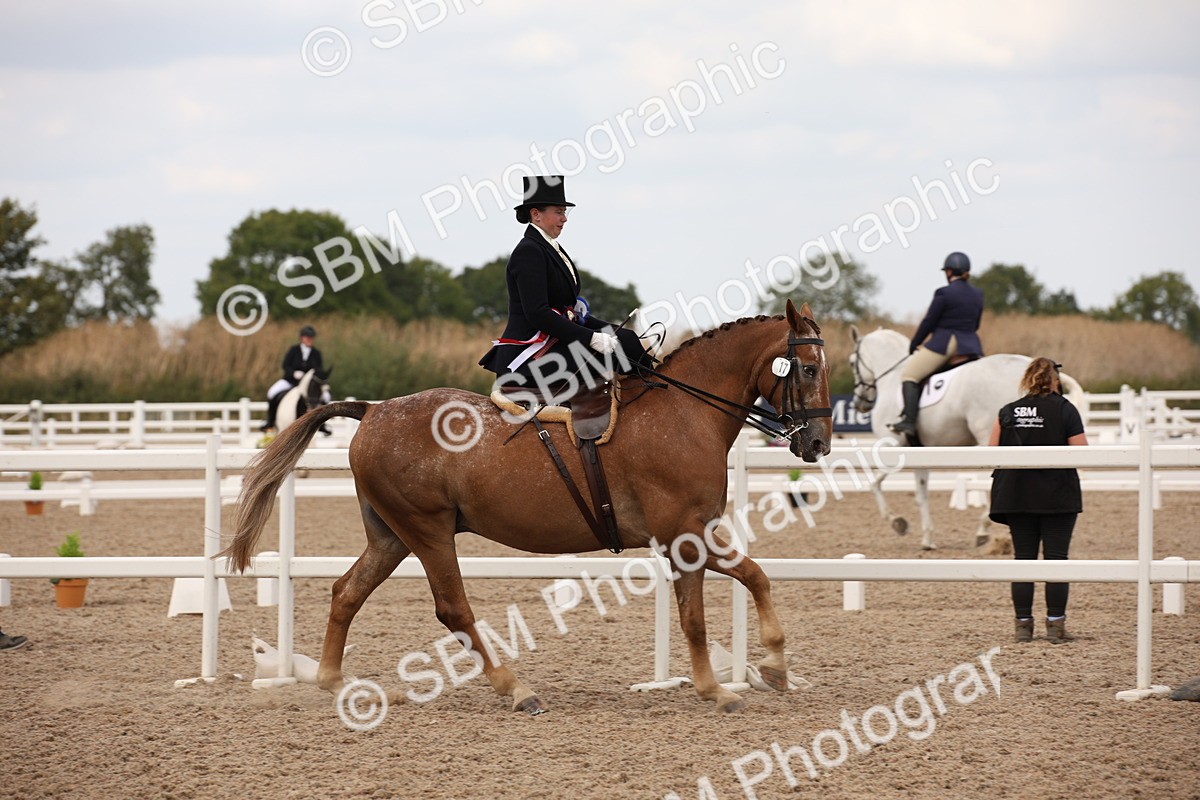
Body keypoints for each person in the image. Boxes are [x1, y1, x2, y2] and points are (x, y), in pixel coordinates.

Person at [478, 175, 651, 396]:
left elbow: (568, 311)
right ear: (536, 214)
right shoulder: (528, 251)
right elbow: (538, 314)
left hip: (555, 342)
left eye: (564, 212)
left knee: (627, 338)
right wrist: (592, 338)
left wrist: (610, 328)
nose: (565, 218)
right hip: (529, 357)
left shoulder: (550, 247)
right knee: (620, 349)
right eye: (558, 212)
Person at [988, 357, 1088, 643]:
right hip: (1057, 496)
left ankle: (1023, 626)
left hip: (1017, 495)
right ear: (1055, 381)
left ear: (1027, 379)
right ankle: (1056, 626)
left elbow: (991, 452)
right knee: (1056, 561)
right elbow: (1082, 453)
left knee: (1023, 560)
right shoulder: (1066, 409)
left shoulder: (1007, 411)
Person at [892, 252, 984, 438]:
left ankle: (909, 421)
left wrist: (915, 343)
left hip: (947, 344)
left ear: (949, 271)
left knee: (910, 375)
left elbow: (929, 322)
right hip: (971, 345)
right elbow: (976, 324)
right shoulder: (977, 293)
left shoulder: (944, 292)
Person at [261, 325, 330, 433]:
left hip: (308, 385)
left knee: (326, 396)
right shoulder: (294, 350)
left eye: (311, 338)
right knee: (272, 392)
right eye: (308, 338)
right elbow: (285, 365)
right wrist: (293, 373)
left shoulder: (316, 353)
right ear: (302, 338)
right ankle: (270, 421)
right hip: (291, 381)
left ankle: (322, 424)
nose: (310, 340)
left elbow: (319, 370)